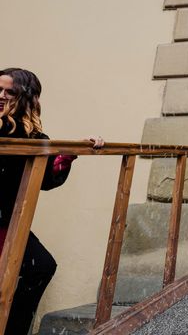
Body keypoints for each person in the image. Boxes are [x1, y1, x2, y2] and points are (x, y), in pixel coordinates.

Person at [0, 67, 103, 335]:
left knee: (41, 266)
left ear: (25, 97)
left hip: (8, 222)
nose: (1, 95)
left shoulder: (35, 139)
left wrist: (69, 153)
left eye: (9, 92)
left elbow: (45, 180)